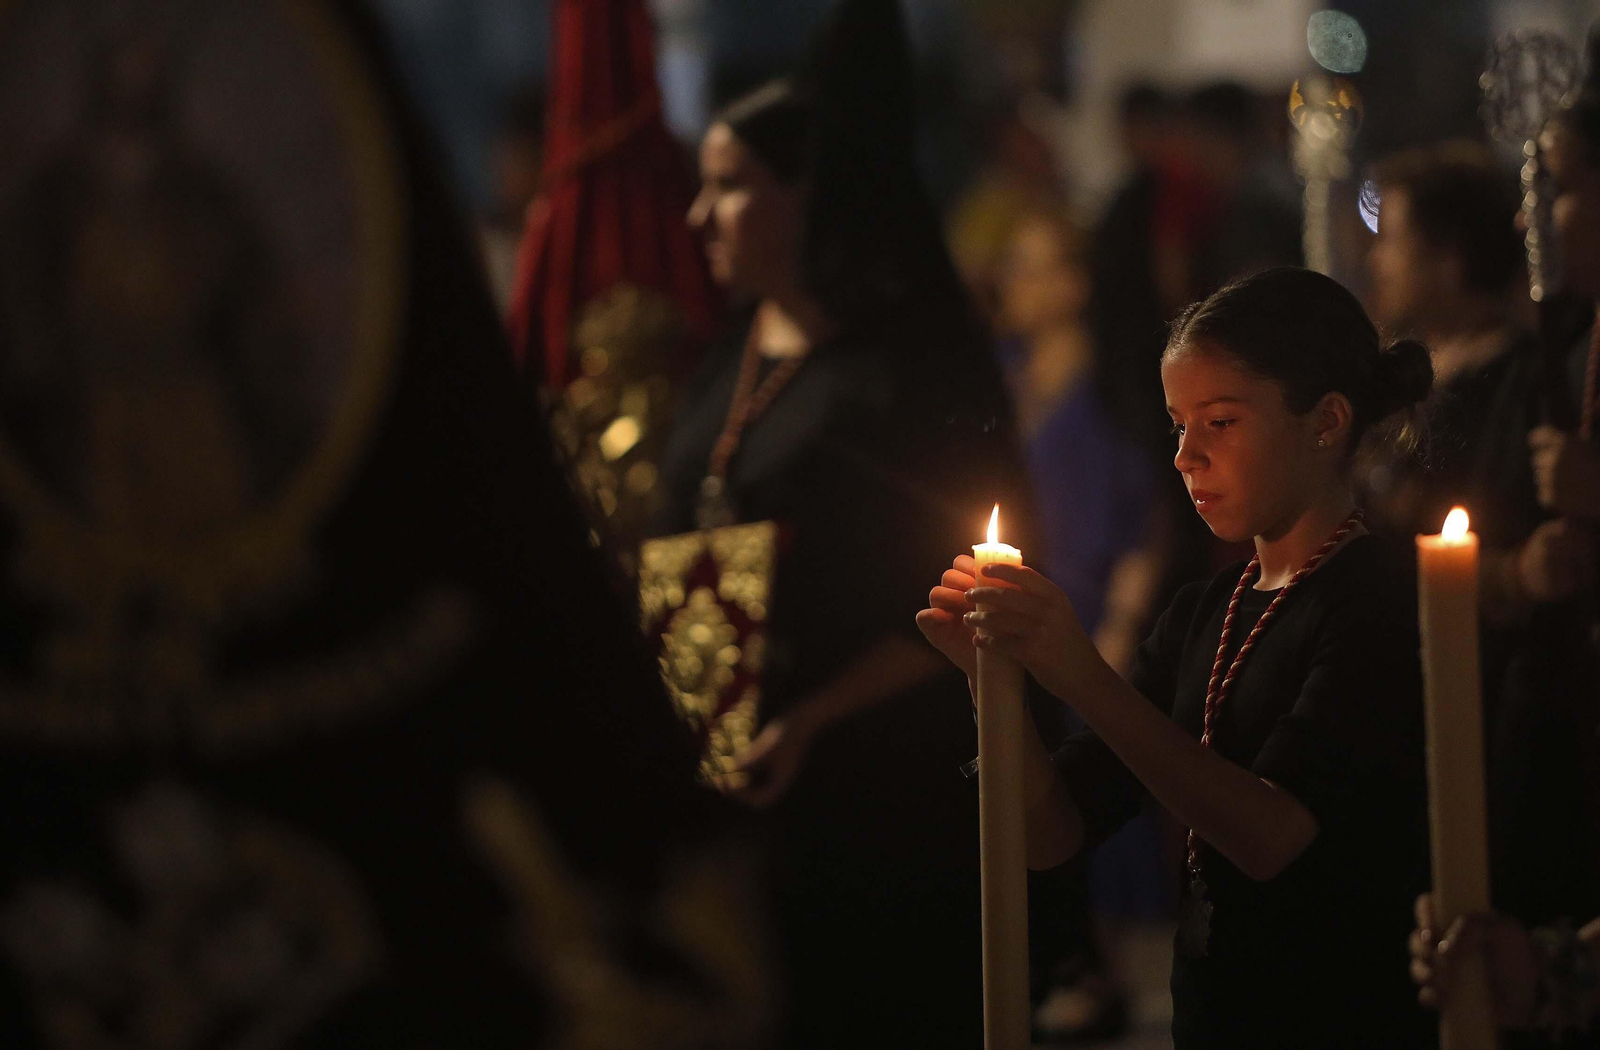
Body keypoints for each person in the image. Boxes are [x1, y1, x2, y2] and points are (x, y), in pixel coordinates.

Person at [920, 266, 1436, 1047]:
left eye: (1221, 423)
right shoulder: (1207, 611)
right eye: (1178, 425)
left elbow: (1270, 836)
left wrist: (1079, 669)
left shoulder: (1380, 601)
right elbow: (1052, 832)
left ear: (1326, 420)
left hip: (1342, 1015)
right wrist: (992, 682)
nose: (1185, 457)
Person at [654, 0, 1029, 1044]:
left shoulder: (895, 367)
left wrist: (811, 719)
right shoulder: (732, 350)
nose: (699, 218)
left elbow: (980, 577)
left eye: (729, 189)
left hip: (869, 789)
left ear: (805, 199)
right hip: (729, 782)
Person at [1366, 140, 1599, 933]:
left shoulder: (1522, 380)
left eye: (1392, 238)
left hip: (1499, 705)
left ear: (1450, 256)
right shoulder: (1410, 380)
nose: (1378, 260)